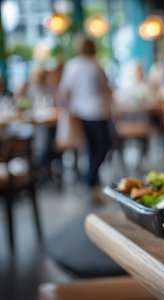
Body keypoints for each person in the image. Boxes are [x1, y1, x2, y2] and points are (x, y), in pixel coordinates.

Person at [58, 35, 112, 202]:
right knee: (103, 146)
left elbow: (64, 91)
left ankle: (91, 183)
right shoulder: (96, 65)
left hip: (81, 112)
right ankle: (88, 180)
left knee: (91, 149)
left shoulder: (72, 65)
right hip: (98, 111)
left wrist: (67, 109)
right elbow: (107, 87)